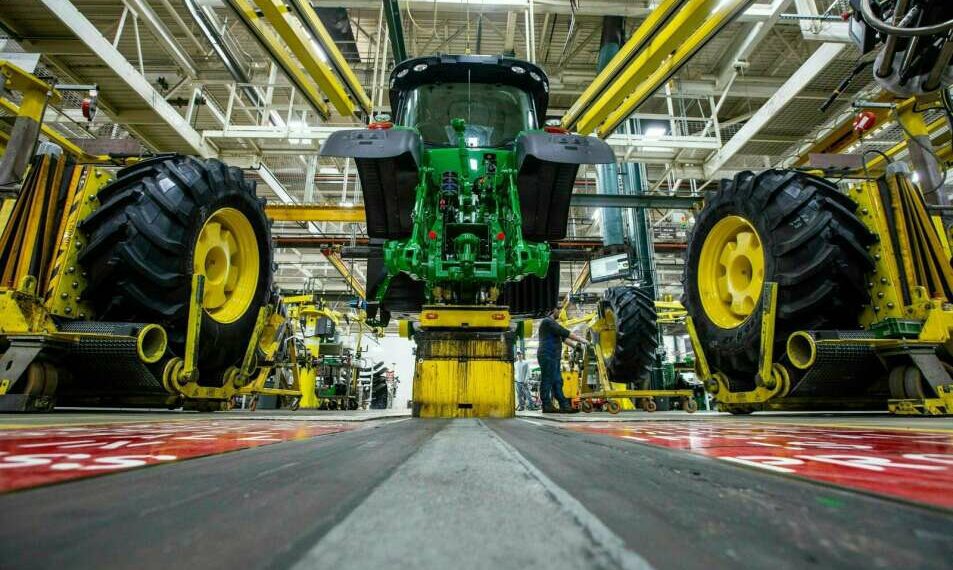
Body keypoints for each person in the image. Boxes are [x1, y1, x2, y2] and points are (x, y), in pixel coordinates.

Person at [537, 308, 588, 413]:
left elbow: (563, 338)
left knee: (558, 381)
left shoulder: (552, 324)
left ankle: (564, 405)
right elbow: (564, 332)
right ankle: (546, 405)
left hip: (554, 356)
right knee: (547, 379)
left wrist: (576, 347)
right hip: (547, 354)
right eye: (558, 310)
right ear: (552, 310)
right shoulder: (548, 322)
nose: (559, 313)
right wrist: (582, 340)